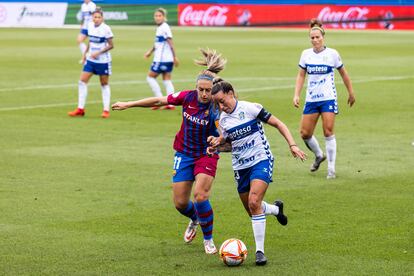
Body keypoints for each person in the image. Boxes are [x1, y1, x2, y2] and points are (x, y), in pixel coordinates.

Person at [112, 49, 226, 254]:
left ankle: (208, 239)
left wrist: (219, 141)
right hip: (184, 153)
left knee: (200, 195)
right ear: (196, 87)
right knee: (181, 202)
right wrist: (129, 104)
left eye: (208, 90)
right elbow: (159, 101)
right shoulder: (187, 97)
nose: (204, 94)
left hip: (206, 154)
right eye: (201, 89)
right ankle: (195, 218)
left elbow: (225, 135)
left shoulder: (218, 108)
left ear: (214, 90)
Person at [207, 79, 306, 265]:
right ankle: (276, 209)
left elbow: (278, 124)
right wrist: (217, 145)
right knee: (253, 209)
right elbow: (231, 144)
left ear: (230, 93)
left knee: (254, 202)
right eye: (217, 103)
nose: (221, 106)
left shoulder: (251, 108)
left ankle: (260, 253)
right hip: (240, 167)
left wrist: (292, 144)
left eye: (222, 100)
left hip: (261, 159)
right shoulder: (224, 120)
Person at [293, 18, 355, 179]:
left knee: (328, 131)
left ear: (323, 37)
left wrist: (351, 92)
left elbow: (344, 74)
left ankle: (331, 169)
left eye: (317, 37)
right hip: (312, 99)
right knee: (304, 133)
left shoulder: (332, 54)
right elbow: (301, 75)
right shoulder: (305, 55)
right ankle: (319, 154)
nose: (315, 40)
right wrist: (296, 94)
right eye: (312, 38)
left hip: (328, 98)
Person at [68, 8, 114, 119]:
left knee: (104, 84)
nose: (96, 19)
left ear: (102, 18)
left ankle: (106, 110)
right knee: (82, 82)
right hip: (91, 60)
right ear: (92, 17)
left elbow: (111, 45)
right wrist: (85, 55)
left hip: (103, 61)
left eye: (99, 17)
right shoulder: (90, 26)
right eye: (95, 17)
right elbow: (90, 41)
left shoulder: (106, 29)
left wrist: (98, 52)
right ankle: (80, 109)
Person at [144, 8, 179, 110]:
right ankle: (171, 104)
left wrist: (175, 56)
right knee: (166, 80)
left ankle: (159, 101)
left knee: (150, 78)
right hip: (166, 59)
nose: (157, 18)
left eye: (160, 16)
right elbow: (158, 44)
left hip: (162, 60)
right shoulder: (161, 27)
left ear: (164, 17)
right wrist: (150, 52)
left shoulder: (164, 28)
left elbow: (170, 43)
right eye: (156, 16)